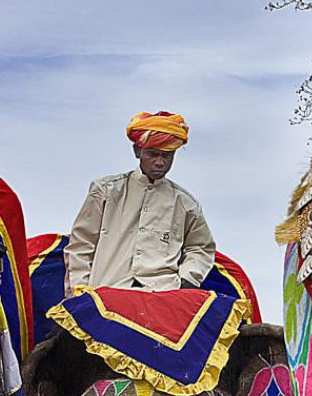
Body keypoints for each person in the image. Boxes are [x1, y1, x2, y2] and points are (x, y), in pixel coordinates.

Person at [65, 112, 217, 292]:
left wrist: (187, 279)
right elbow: (81, 245)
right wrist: (78, 292)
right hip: (107, 291)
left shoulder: (186, 204)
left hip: (163, 295)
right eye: (153, 154)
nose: (160, 162)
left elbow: (200, 248)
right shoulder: (106, 190)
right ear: (137, 151)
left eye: (167, 156)